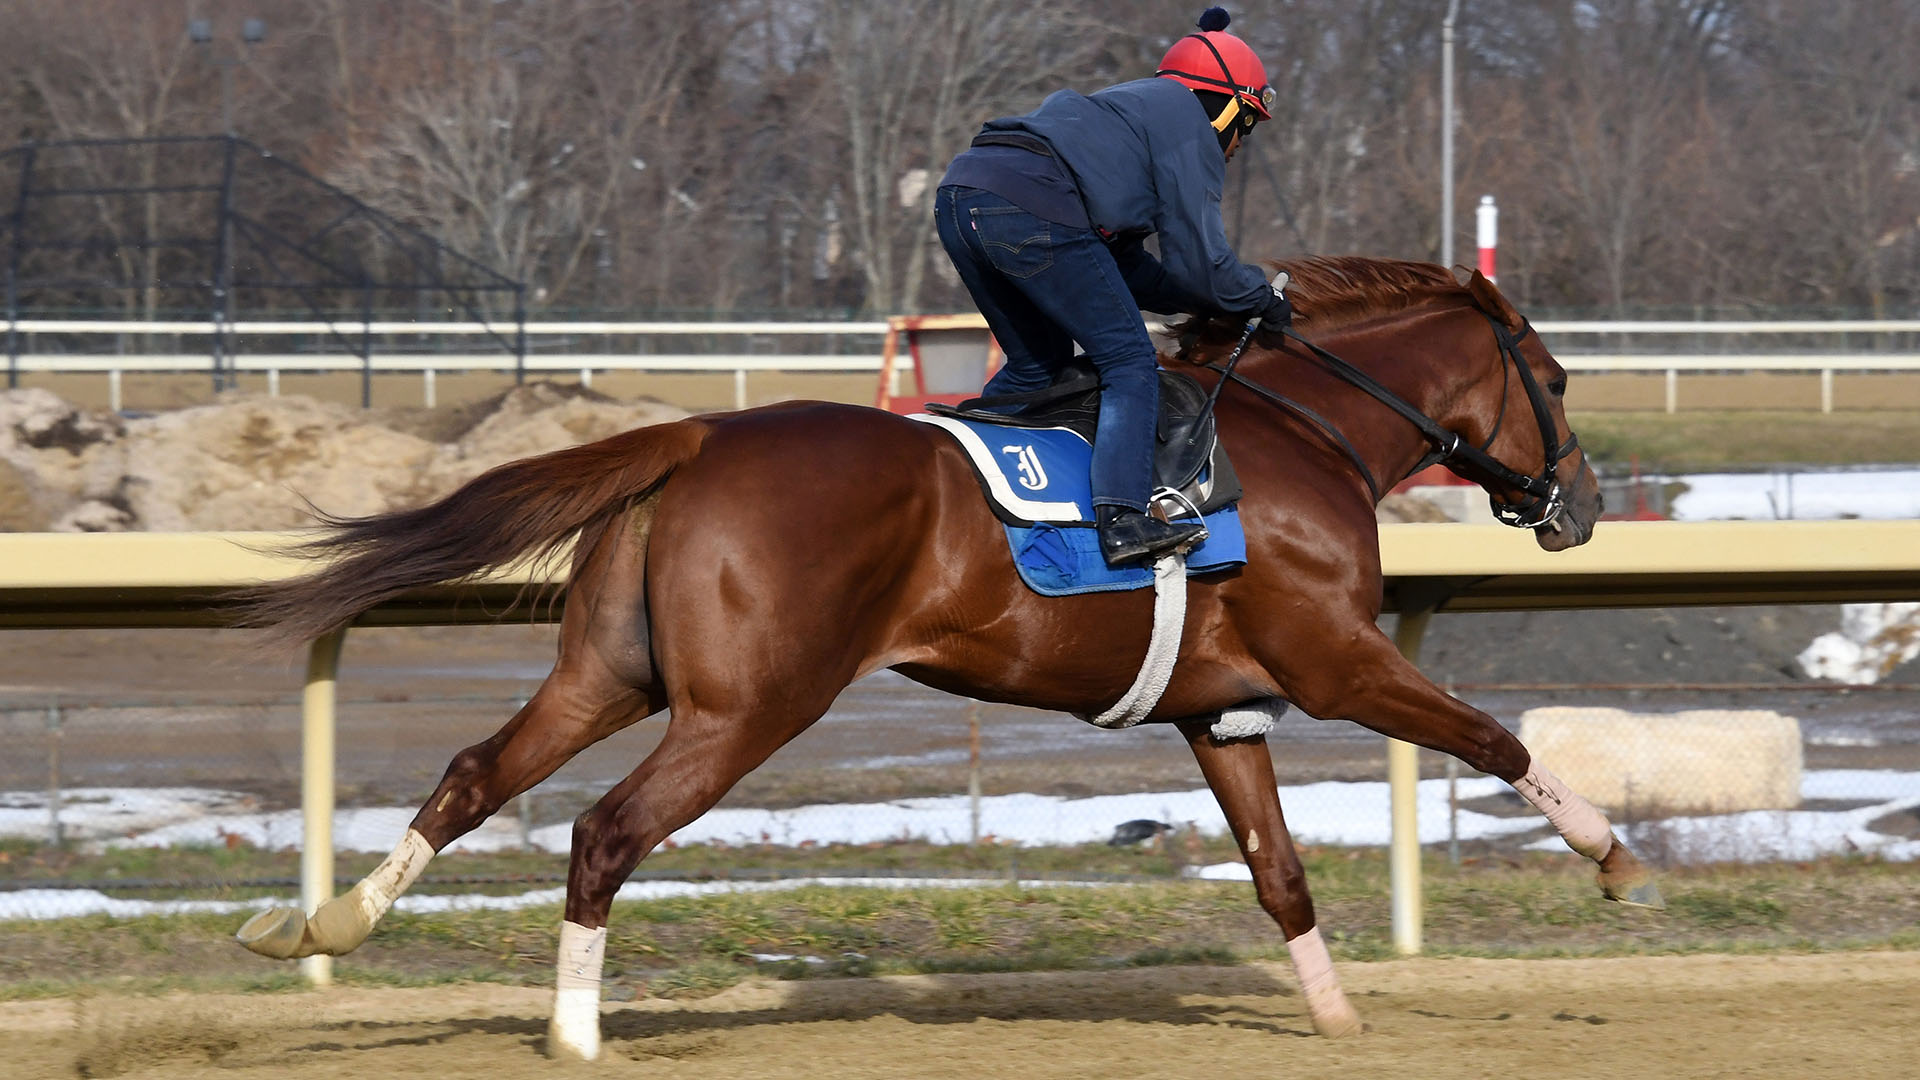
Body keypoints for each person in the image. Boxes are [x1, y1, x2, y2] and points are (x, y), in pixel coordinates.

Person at [934, 7, 1292, 567]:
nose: (1240, 143)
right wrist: (1259, 296)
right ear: (1222, 105)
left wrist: (1206, 299)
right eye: (1245, 122)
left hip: (962, 196)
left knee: (1038, 363)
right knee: (1128, 362)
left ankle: (952, 466)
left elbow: (1129, 268)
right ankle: (1124, 520)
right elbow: (1201, 263)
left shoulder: (1130, 116)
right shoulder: (1187, 126)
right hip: (1033, 206)